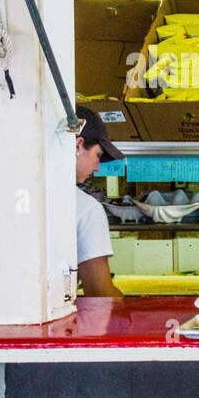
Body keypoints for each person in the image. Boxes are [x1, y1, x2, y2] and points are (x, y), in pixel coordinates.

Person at [74, 106, 124, 298]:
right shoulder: (86, 208)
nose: (97, 167)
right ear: (78, 145)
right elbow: (99, 294)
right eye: (98, 155)